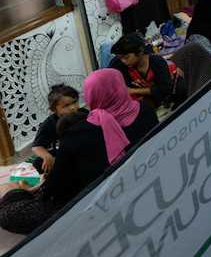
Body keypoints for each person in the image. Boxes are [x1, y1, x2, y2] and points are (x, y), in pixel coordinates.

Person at [0, 70, 157, 234]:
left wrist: (43, 189)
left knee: (8, 207)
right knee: (35, 167)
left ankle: (20, 190)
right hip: (141, 178)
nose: (73, 107)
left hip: (89, 204)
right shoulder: (145, 109)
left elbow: (59, 185)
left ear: (92, 95)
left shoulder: (84, 130)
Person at [109, 33, 181, 107]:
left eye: (127, 57)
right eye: (120, 58)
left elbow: (165, 88)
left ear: (141, 51)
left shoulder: (157, 63)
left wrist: (132, 91)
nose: (123, 61)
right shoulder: (121, 65)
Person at [30, 84, 79, 175]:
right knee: (38, 162)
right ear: (53, 109)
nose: (73, 107)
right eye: (66, 106)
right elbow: (36, 147)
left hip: (79, 152)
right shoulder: (49, 124)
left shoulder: (82, 115)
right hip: (60, 156)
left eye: (75, 102)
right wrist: (47, 157)